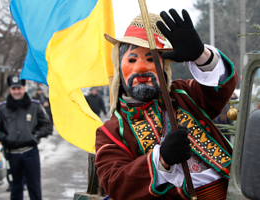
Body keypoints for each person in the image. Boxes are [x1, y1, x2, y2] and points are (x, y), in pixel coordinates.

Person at [95, 9, 238, 199]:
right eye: (131, 60)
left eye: (151, 59)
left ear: (164, 67)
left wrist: (200, 54)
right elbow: (115, 183)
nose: (142, 68)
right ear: (119, 70)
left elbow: (220, 87)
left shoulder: (184, 94)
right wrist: (161, 159)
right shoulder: (111, 131)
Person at [0, 75, 52, 200]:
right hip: (12, 154)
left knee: (34, 188)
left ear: (24, 88)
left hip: (30, 152)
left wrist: (34, 135)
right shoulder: (3, 109)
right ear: (10, 89)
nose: (17, 91)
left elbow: (47, 126)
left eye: (19, 88)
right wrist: (6, 138)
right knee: (15, 188)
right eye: (14, 89)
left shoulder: (34, 107)